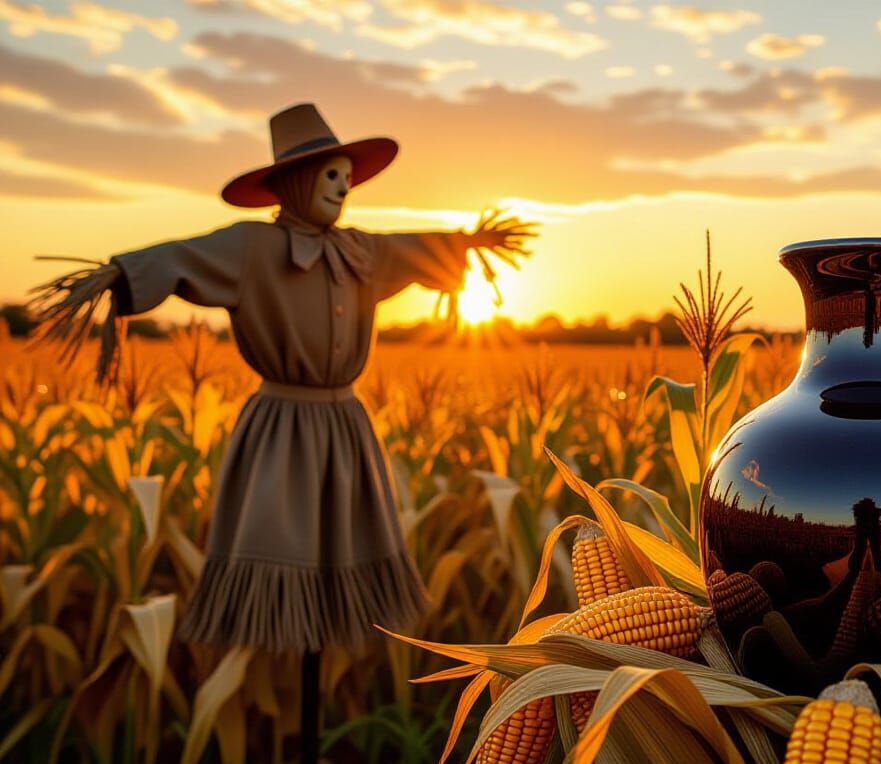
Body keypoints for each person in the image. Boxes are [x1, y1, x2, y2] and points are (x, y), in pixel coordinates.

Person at [30, 102, 535, 655]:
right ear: (296, 182)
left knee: (347, 542)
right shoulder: (252, 248)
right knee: (282, 543)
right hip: (280, 429)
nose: (343, 188)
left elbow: (413, 247)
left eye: (346, 178)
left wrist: (475, 243)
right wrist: (119, 274)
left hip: (345, 426)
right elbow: (181, 257)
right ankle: (279, 624)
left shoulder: (361, 250)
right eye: (331, 175)